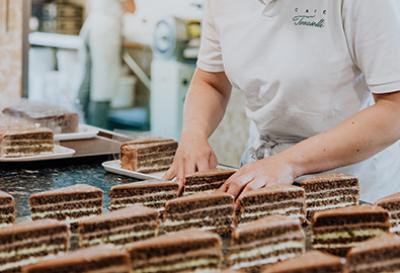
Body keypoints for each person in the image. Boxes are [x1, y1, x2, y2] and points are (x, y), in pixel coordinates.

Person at [164, 0, 400, 203]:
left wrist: (289, 163)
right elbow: (210, 81)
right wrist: (194, 135)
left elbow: (394, 108)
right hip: (263, 178)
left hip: (352, 188)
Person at [77, 0, 136, 128]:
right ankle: (98, 130)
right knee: (103, 86)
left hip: (90, 26)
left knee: (88, 81)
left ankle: (81, 127)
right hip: (105, 31)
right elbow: (132, 8)